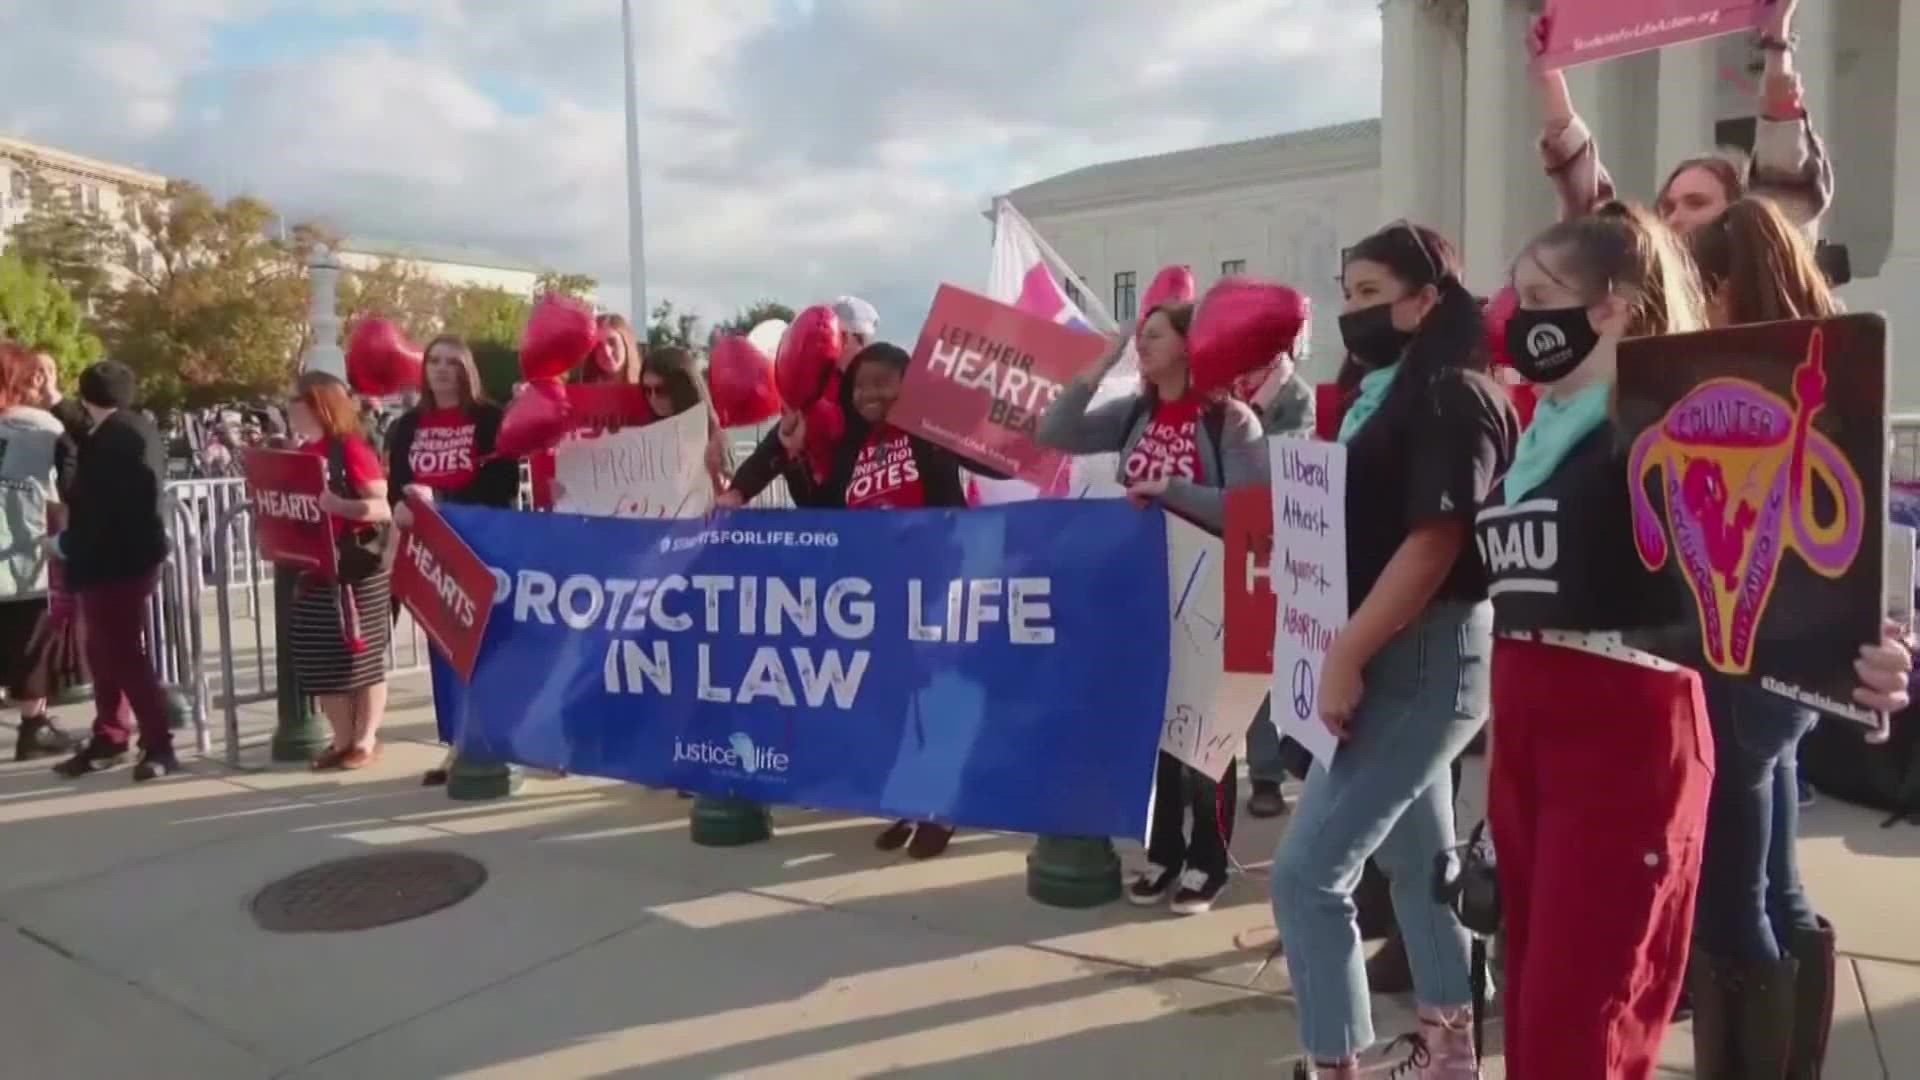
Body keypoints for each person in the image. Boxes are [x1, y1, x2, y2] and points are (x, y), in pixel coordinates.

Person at [1485, 202, 1914, 1080]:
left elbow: (1791, 576)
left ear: (1612, 308)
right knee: (1533, 995)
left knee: (1586, 1016)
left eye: (1540, 296)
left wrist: (1856, 656)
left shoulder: (1671, 428)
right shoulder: (1538, 430)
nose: (1520, 318)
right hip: (1529, 731)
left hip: (1624, 742)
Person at [1270, 223, 1519, 1079]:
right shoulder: (1379, 391)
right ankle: (1450, 1053)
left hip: (1424, 657)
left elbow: (1435, 542)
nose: (1354, 313)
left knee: (1307, 877)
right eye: (1347, 295)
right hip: (1382, 651)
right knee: (1419, 865)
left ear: (1427, 299)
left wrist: (1341, 655)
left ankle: (1334, 1061)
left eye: (1371, 294)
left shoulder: (1454, 396)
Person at [1684, 195, 1846, 1076]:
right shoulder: (1826, 360)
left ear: (1720, 286)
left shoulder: (1732, 375)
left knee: (1732, 895)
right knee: (1778, 879)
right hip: (1798, 656)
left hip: (1739, 649)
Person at [1039, 300, 1266, 916]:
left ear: (1193, 345)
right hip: (1145, 589)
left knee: (1204, 737)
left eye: (1155, 335)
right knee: (1159, 730)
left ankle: (1208, 860)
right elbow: (1052, 430)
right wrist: (1102, 360)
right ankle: (1164, 850)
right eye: (1138, 337)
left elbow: (1248, 509)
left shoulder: (1231, 421)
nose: (1142, 343)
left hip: (1212, 593)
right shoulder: (1135, 413)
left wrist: (1173, 490)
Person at [780, 341, 1003, 858]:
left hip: (935, 588)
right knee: (894, 704)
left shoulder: (930, 436)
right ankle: (910, 801)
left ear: (911, 384)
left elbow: (977, 483)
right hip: (878, 598)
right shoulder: (853, 450)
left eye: (884, 381)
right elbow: (821, 512)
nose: (870, 393)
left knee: (937, 702)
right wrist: (793, 457)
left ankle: (945, 807)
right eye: (860, 385)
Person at [1530, 1, 1829, 235]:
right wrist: (1550, 76)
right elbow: (1591, 217)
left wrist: (1777, 44)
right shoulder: (1650, 284)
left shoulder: (1763, 266)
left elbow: (1783, 173)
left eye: (1697, 203)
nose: (1676, 218)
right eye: (1667, 209)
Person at [386, 335, 519, 787]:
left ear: (467, 370)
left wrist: (440, 499)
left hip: (482, 550)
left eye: (451, 362)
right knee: (444, 653)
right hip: (430, 554)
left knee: (488, 649)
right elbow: (397, 483)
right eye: (434, 362)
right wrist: (401, 507)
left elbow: (501, 485)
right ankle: (459, 742)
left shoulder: (489, 418)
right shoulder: (407, 425)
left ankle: (497, 740)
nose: (441, 370)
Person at [51, 361, 176, 782]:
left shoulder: (114, 439)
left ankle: (156, 742)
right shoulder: (131, 428)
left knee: (120, 654)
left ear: (87, 397)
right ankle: (111, 734)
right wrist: (55, 400)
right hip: (123, 558)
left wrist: (66, 543)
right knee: (104, 653)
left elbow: (98, 506)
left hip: (116, 561)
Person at [286, 371, 392, 771]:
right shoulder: (298, 453)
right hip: (314, 568)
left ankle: (365, 738)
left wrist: (341, 507)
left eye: (294, 401)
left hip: (355, 566)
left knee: (361, 660)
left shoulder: (348, 449)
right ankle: (342, 738)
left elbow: (381, 506)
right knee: (319, 656)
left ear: (316, 403)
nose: (289, 410)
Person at [1237, 348, 1315, 819]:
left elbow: (1280, 462)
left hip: (1289, 539)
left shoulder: (1294, 395)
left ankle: (1280, 769)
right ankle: (1263, 768)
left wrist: (1242, 423)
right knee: (1250, 662)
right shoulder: (1224, 392)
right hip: (1237, 533)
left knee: (1285, 659)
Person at [719, 295, 878, 508]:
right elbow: (774, 447)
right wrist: (738, 491)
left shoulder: (879, 391)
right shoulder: (815, 389)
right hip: (828, 518)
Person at [0, 344, 79, 759]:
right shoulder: (39, 427)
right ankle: (34, 724)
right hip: (21, 550)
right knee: (30, 641)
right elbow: (68, 477)